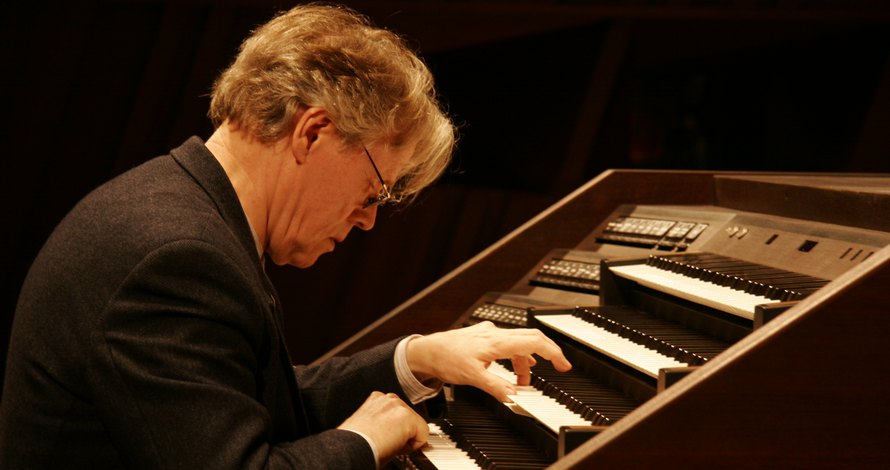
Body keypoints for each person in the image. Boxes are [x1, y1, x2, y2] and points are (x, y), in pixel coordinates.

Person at [0, 4, 571, 469]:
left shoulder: (178, 207)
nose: (368, 220)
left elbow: (242, 402)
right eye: (375, 191)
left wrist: (416, 358)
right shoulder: (176, 255)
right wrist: (364, 442)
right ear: (313, 131)